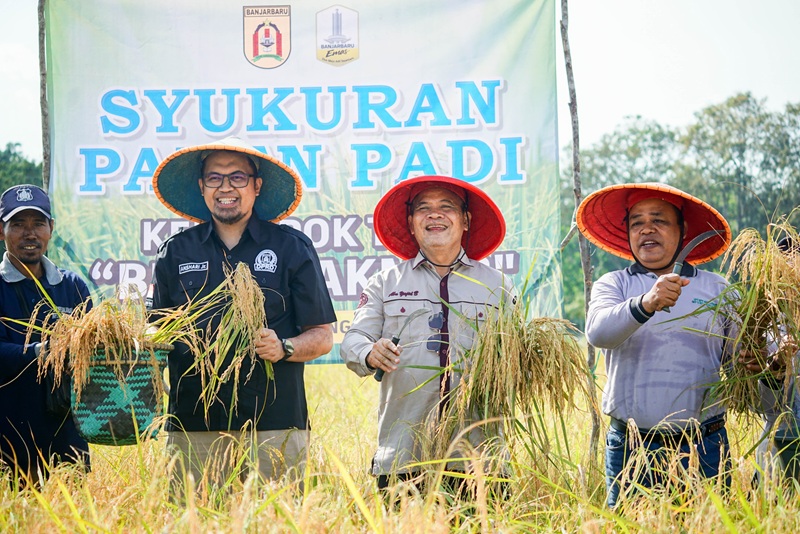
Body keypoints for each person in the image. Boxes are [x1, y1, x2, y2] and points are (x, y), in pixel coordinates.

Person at [149, 137, 335, 491]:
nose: (226, 188)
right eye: (215, 178)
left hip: (275, 423)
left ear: (256, 186)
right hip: (194, 424)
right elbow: (159, 335)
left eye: (237, 177)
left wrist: (285, 347)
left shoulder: (290, 247)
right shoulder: (175, 252)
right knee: (195, 521)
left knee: (278, 522)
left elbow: (322, 335)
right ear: (202, 187)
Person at [340, 175, 514, 492]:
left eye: (446, 206)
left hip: (479, 454)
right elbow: (353, 340)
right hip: (405, 456)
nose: (434, 214)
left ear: (466, 220)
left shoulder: (497, 285)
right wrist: (369, 352)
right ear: (411, 222)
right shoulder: (385, 282)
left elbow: (518, 354)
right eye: (424, 208)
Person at [577, 183, 739, 508]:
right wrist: (646, 302)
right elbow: (598, 333)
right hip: (631, 446)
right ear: (628, 233)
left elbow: (738, 362)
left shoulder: (717, 288)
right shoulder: (616, 284)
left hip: (703, 446)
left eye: (659, 220)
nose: (646, 229)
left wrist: (760, 361)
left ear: (683, 230)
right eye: (636, 222)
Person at [0, 184, 91, 485]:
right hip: (7, 434)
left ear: (51, 228)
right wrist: (41, 351)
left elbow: (91, 348)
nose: (30, 234)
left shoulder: (72, 286)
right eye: (18, 225)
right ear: (2, 231)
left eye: (38, 223)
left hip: (66, 434)